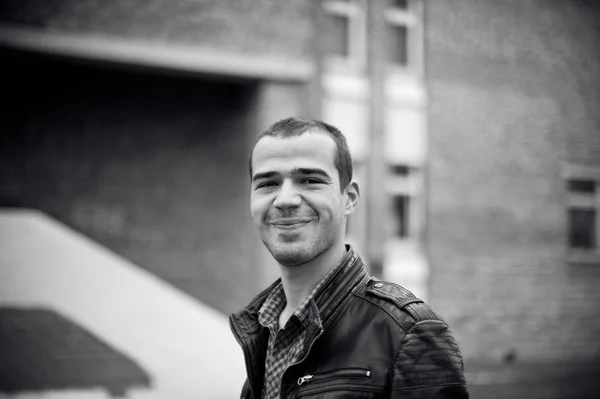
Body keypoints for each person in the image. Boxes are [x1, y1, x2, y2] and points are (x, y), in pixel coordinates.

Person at [230, 117, 468, 398]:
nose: (285, 199)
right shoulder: (261, 329)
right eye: (268, 184)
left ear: (350, 197)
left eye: (309, 180)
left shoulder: (409, 332)